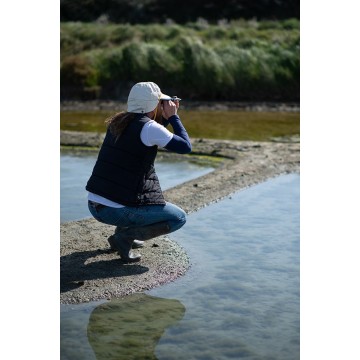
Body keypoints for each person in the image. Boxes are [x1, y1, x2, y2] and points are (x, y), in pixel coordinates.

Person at [86, 81, 191, 262]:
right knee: (179, 218)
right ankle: (124, 238)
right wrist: (174, 117)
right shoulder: (149, 128)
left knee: (126, 185)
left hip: (95, 205)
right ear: (153, 104)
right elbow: (185, 146)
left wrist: (164, 117)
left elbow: (148, 135)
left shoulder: (119, 121)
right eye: (160, 102)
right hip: (115, 210)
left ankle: (124, 234)